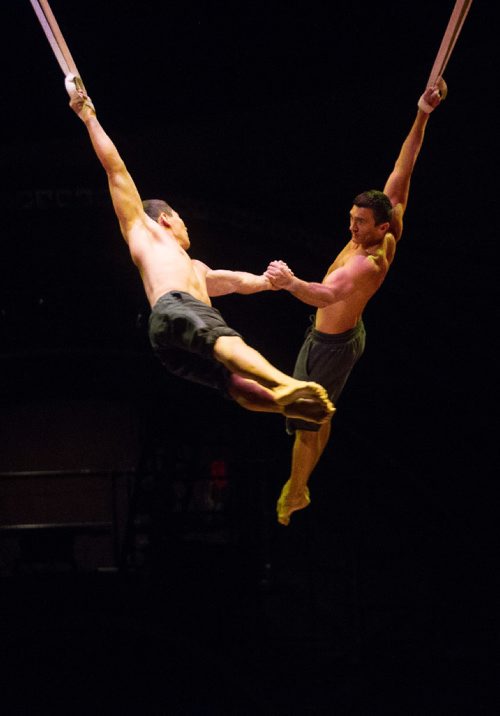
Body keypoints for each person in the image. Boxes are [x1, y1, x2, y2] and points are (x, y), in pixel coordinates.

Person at [64, 74, 334, 425]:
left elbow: (236, 282)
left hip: (171, 337)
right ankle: (285, 385)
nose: (186, 225)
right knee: (228, 342)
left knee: (230, 381)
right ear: (163, 219)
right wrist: (89, 117)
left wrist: (271, 281)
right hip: (175, 308)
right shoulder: (144, 231)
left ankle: (282, 404)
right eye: (180, 218)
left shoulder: (195, 268)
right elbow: (116, 170)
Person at [265, 79, 447, 525]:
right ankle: (301, 483)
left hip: (332, 342)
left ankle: (295, 492)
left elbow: (326, 293)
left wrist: (289, 282)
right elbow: (405, 167)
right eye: (351, 219)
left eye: (361, 223)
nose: (352, 228)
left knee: (305, 419)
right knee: (319, 409)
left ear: (382, 228)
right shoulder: (392, 215)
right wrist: (423, 112)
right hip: (339, 335)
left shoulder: (369, 263)